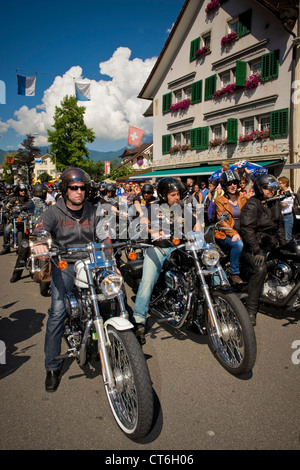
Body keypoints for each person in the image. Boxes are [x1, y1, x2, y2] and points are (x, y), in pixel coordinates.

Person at [32, 168, 98, 392]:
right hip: (64, 263)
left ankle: (125, 344)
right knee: (59, 311)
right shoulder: (53, 212)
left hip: (91, 261)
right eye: (74, 188)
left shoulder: (93, 210)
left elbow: (105, 233)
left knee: (112, 296)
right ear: (64, 189)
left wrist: (113, 261)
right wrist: (41, 241)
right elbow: (41, 228)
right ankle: (52, 366)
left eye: (82, 188)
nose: (79, 192)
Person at [132, 177, 200, 345]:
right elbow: (143, 222)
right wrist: (151, 231)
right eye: (173, 194)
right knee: (147, 281)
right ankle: (139, 320)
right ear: (163, 195)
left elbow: (196, 222)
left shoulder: (183, 208)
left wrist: (198, 235)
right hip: (159, 248)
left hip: (180, 247)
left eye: (178, 194)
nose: (177, 197)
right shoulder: (154, 207)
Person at [240, 174, 286, 325]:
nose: (269, 191)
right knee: (260, 269)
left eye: (271, 188)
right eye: (266, 188)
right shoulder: (253, 204)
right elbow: (247, 229)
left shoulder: (274, 202)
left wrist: (284, 244)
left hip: (271, 244)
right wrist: (257, 250)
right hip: (254, 247)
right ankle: (251, 310)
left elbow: (279, 225)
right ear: (259, 189)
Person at [10, 183, 48, 283]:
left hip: (40, 233)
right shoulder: (32, 203)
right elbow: (25, 209)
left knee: (24, 249)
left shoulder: (45, 204)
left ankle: (16, 275)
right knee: (24, 248)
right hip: (36, 232)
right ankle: (16, 274)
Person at [215, 170, 248, 285]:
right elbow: (222, 221)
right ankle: (234, 273)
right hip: (225, 234)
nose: (233, 186)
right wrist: (233, 233)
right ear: (225, 186)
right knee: (238, 244)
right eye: (229, 184)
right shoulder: (220, 201)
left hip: (242, 231)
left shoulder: (243, 198)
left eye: (234, 182)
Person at [0, 184, 30, 255]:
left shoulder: (28, 199)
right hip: (15, 219)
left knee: (31, 230)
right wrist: (8, 214)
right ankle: (6, 247)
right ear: (18, 191)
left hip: (26, 219)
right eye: (21, 190)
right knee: (6, 229)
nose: (23, 192)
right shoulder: (14, 199)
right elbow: (5, 208)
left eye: (24, 190)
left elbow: (33, 206)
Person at [278, 176, 294, 242]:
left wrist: (276, 201)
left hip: (287, 216)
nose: (279, 185)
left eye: (280, 183)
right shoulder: (280, 192)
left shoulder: (289, 193)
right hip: (280, 216)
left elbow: (284, 204)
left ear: (285, 183)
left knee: (287, 237)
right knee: (280, 235)